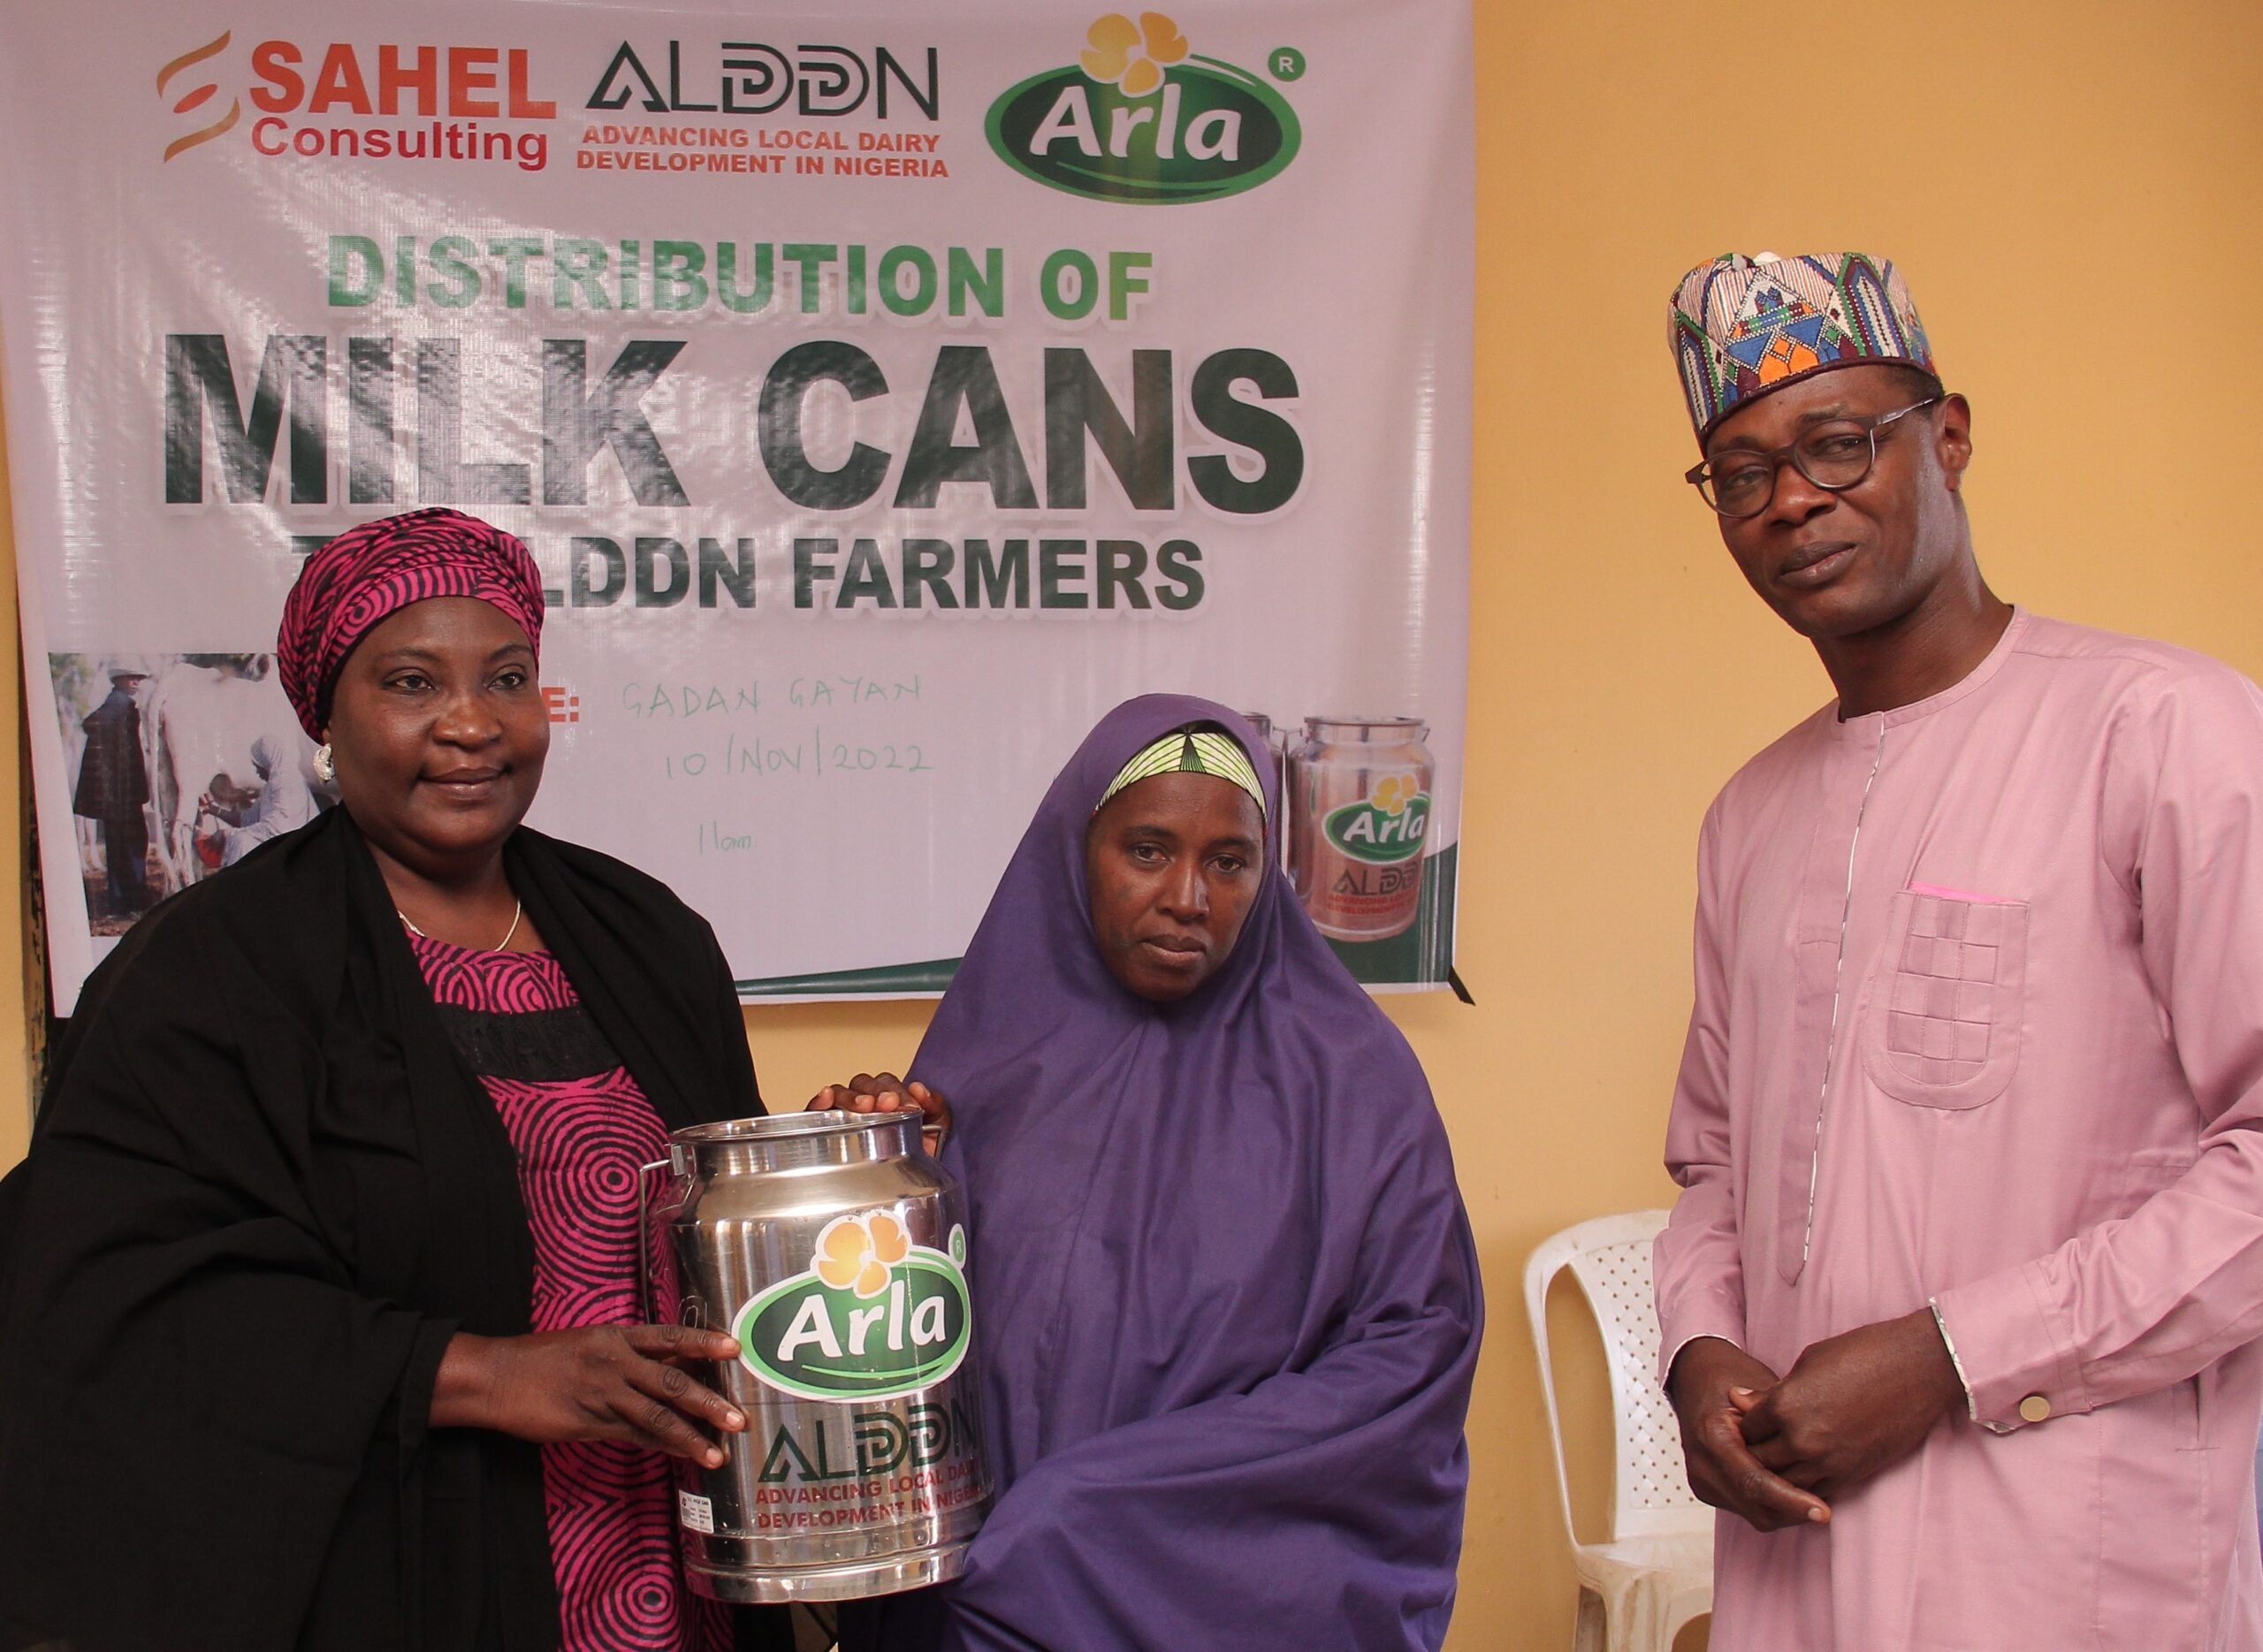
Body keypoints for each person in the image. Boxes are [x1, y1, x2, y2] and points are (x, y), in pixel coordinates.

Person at [0, 509, 790, 1652]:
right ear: (326, 714)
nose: (471, 723)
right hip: (398, 1576)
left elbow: (720, 1234)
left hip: (671, 1569)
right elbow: (111, 1302)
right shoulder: (211, 972)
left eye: (507, 678)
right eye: (412, 682)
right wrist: (473, 1372)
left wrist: (847, 1163)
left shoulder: (648, 937)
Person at [1655, 252, 2263, 1648]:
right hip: (1799, 1566)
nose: (1792, 499)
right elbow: (1710, 1164)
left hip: (2070, 1575)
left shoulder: (2166, 735)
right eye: (1739, 473)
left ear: (1949, 437)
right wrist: (1697, 1352)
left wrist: (1953, 1355)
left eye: (1837, 444)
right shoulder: (1748, 815)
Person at [821, 695, 1482, 1651]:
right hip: (977, 1590)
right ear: (1074, 851)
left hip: (1209, 1589)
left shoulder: (1349, 1076)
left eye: (1229, 861)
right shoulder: (986, 1057)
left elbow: (1414, 1350)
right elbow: (910, 1330)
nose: (1187, 896)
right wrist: (878, 1168)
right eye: (1146, 851)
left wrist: (1100, 1510)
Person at [71, 655, 152, 917]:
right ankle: (134, 903)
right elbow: (125, 758)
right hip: (124, 795)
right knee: (133, 846)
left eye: (139, 678)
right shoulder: (123, 709)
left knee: (118, 849)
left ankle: (119, 903)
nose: (137, 682)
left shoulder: (111, 707)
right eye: (132, 677)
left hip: (113, 795)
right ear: (118, 680)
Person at [197, 732, 319, 866]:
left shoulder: (287, 784)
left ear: (267, 762)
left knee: (241, 841)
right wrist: (215, 810)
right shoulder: (272, 787)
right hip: (281, 848)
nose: (257, 772)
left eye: (258, 766)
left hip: (296, 852)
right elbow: (247, 820)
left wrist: (226, 834)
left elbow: (277, 831)